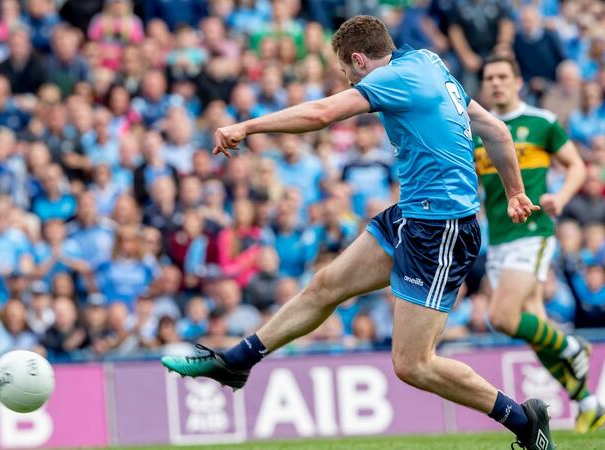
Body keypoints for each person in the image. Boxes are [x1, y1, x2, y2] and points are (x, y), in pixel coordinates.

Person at [161, 16, 553, 450]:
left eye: (345, 71)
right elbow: (496, 131)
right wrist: (515, 191)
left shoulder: (393, 78)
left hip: (441, 229)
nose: (346, 79)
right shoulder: (427, 62)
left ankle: (523, 421)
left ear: (359, 60)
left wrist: (247, 126)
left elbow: (322, 113)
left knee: (413, 364)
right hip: (412, 214)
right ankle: (235, 362)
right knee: (325, 285)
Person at [474, 54, 603, 433]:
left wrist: (560, 198)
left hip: (533, 232)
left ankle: (572, 347)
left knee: (501, 317)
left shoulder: (541, 122)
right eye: (489, 78)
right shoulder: (477, 130)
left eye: (502, 76)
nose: (496, 83)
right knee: (532, 330)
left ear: (517, 81)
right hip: (498, 238)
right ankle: (588, 401)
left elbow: (578, 166)